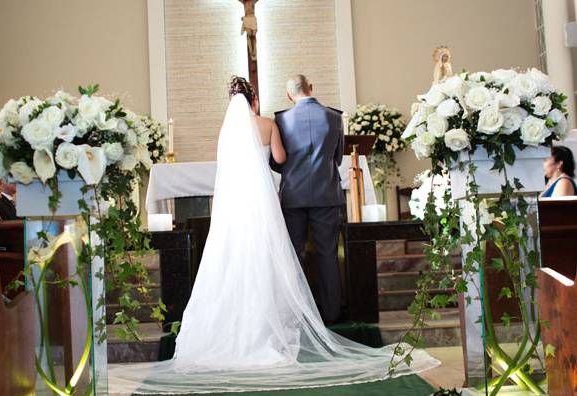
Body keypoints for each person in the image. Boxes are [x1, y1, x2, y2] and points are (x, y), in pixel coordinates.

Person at [108, 77, 438, 395]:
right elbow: (280, 158)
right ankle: (273, 326)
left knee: (232, 259)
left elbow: (226, 166)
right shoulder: (268, 124)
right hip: (261, 202)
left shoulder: (226, 130)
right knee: (268, 256)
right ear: (254, 100)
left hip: (233, 206)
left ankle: (233, 327)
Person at [273, 74, 344, 323]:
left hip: (293, 195)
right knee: (328, 254)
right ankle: (332, 314)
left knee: (295, 254)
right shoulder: (335, 117)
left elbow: (276, 160)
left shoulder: (281, 120)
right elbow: (338, 157)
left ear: (289, 95)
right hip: (327, 193)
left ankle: (300, 317)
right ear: (311, 88)